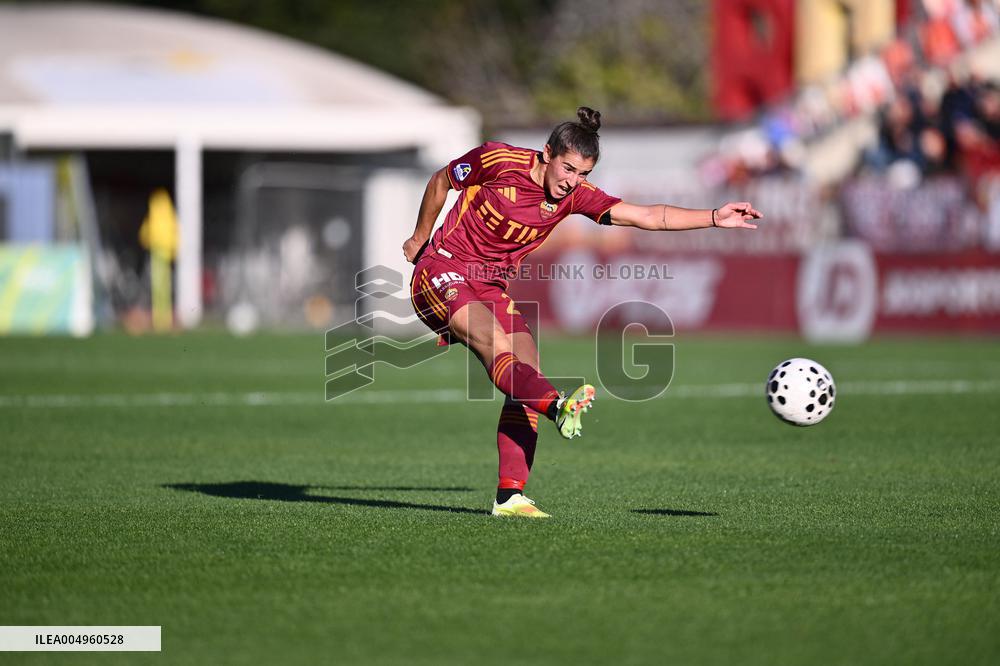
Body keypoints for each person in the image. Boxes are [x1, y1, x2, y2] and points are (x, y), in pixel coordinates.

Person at [403, 107, 761, 518]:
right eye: (568, 169)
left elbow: (648, 216)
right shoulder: (498, 160)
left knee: (526, 373)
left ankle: (510, 496)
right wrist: (419, 239)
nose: (573, 182)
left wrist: (715, 218)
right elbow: (441, 180)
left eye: (584, 175)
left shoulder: (574, 197)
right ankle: (557, 406)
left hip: (490, 288)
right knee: (498, 348)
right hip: (441, 268)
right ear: (546, 154)